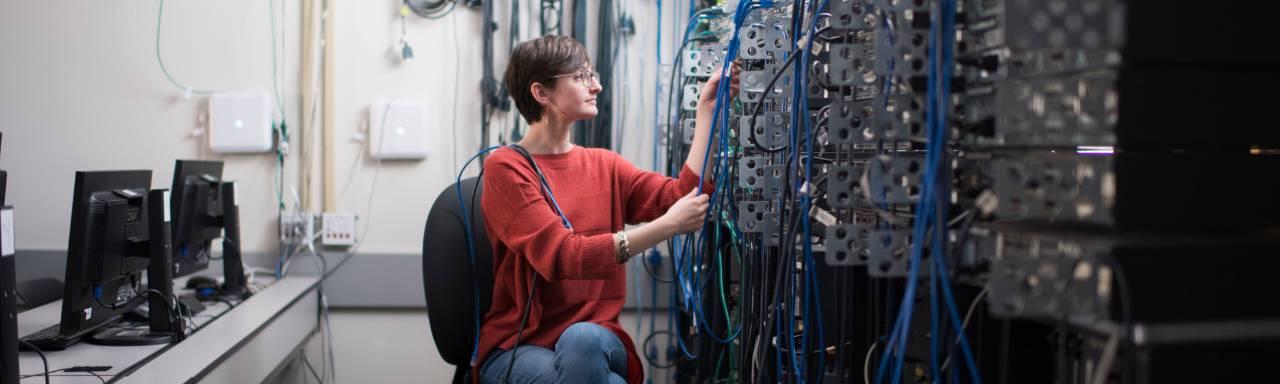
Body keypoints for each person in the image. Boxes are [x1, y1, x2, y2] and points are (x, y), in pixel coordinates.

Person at [476, 35, 736, 384]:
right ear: (542, 93)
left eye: (593, 74)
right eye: (581, 76)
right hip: (519, 346)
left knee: (581, 339)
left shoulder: (604, 164)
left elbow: (682, 196)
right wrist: (666, 227)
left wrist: (707, 112)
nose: (596, 85)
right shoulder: (506, 168)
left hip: (596, 342)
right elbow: (562, 256)